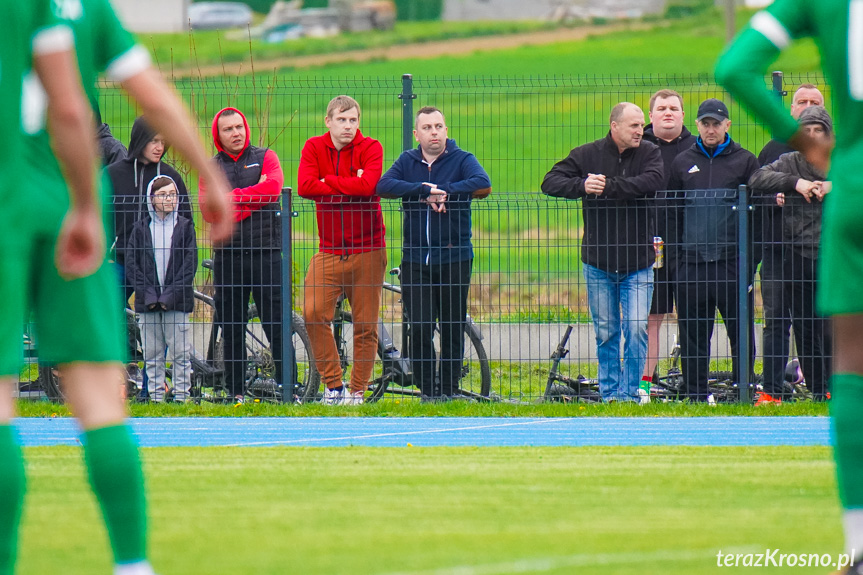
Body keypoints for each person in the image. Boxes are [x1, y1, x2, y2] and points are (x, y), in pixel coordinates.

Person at [0, 1, 233, 574]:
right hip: (59, 199)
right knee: (101, 398)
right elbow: (92, 105)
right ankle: (132, 565)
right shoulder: (83, 9)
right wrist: (207, 173)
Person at [716, 3, 863, 569]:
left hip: (853, 189)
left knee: (852, 361)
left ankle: (858, 543)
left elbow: (735, 67)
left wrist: (803, 142)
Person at [541, 102, 663, 402]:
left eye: (641, 125)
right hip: (598, 263)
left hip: (638, 263)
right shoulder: (587, 154)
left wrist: (608, 187)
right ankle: (609, 395)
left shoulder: (649, 152)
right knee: (606, 332)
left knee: (635, 330)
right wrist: (582, 185)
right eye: (634, 125)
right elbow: (550, 182)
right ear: (614, 126)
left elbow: (653, 181)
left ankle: (631, 395)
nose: (640, 130)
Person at [377, 106, 492, 400]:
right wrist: (422, 190)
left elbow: (482, 184)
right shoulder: (407, 161)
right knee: (421, 326)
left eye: (439, 126)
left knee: (453, 325)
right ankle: (428, 391)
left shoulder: (462, 159)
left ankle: (449, 390)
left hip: (455, 258)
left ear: (446, 130)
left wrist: (444, 192)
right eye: (427, 128)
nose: (434, 133)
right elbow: (384, 185)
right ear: (417, 134)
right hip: (416, 260)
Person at [666, 98, 759, 402]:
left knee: (740, 332)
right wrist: (676, 262)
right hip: (691, 265)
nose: (710, 129)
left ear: (727, 126)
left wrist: (749, 264)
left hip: (731, 263)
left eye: (716, 124)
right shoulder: (681, 162)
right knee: (693, 333)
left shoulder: (745, 161)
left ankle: (742, 391)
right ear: (697, 125)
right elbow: (670, 214)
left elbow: (757, 217)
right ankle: (695, 394)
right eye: (705, 123)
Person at [297, 95, 386, 405]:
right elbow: (306, 186)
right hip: (329, 249)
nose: (348, 126)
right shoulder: (313, 147)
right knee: (312, 313)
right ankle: (334, 388)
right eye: (342, 120)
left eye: (353, 120)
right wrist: (350, 181)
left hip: (368, 249)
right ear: (328, 121)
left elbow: (369, 186)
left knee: (365, 325)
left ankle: (357, 392)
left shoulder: (371, 147)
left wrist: (329, 181)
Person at [749, 106, 833, 403]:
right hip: (796, 254)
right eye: (806, 131)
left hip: (831, 256)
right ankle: (815, 389)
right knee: (804, 325)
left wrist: (832, 186)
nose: (811, 136)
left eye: (818, 131)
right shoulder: (789, 161)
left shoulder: (839, 163)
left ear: (827, 134)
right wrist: (795, 183)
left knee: (829, 324)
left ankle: (828, 388)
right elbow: (757, 178)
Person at [206, 107, 284, 404]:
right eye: (229, 129)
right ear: (219, 135)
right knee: (232, 325)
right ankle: (235, 391)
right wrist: (255, 195)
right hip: (228, 255)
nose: (236, 133)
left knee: (277, 323)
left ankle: (287, 387)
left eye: (239, 127)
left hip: (266, 252)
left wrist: (232, 200)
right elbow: (209, 210)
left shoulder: (267, 157)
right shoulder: (210, 167)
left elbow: (273, 189)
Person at [641, 89, 697, 397]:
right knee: (651, 317)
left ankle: (693, 384)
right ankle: (645, 383)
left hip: (690, 250)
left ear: (683, 115)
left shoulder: (696, 148)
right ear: (650, 115)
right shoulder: (640, 147)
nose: (668, 112)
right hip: (649, 248)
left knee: (691, 315)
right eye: (661, 108)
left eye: (673, 108)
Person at [126, 176, 198, 403]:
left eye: (173, 194)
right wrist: (148, 294)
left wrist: (169, 295)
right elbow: (132, 263)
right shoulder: (139, 229)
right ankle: (156, 396)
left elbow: (189, 264)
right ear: (152, 198)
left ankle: (181, 396)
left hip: (177, 302)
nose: (169, 199)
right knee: (152, 353)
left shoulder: (185, 227)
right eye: (163, 195)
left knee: (180, 352)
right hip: (148, 303)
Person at [107, 116, 192, 304]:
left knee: (154, 320)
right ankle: (124, 335)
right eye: (154, 141)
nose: (159, 147)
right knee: (107, 310)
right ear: (139, 139)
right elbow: (97, 218)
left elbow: (186, 222)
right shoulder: (112, 174)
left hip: (158, 263)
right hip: (118, 261)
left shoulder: (171, 177)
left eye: (163, 142)